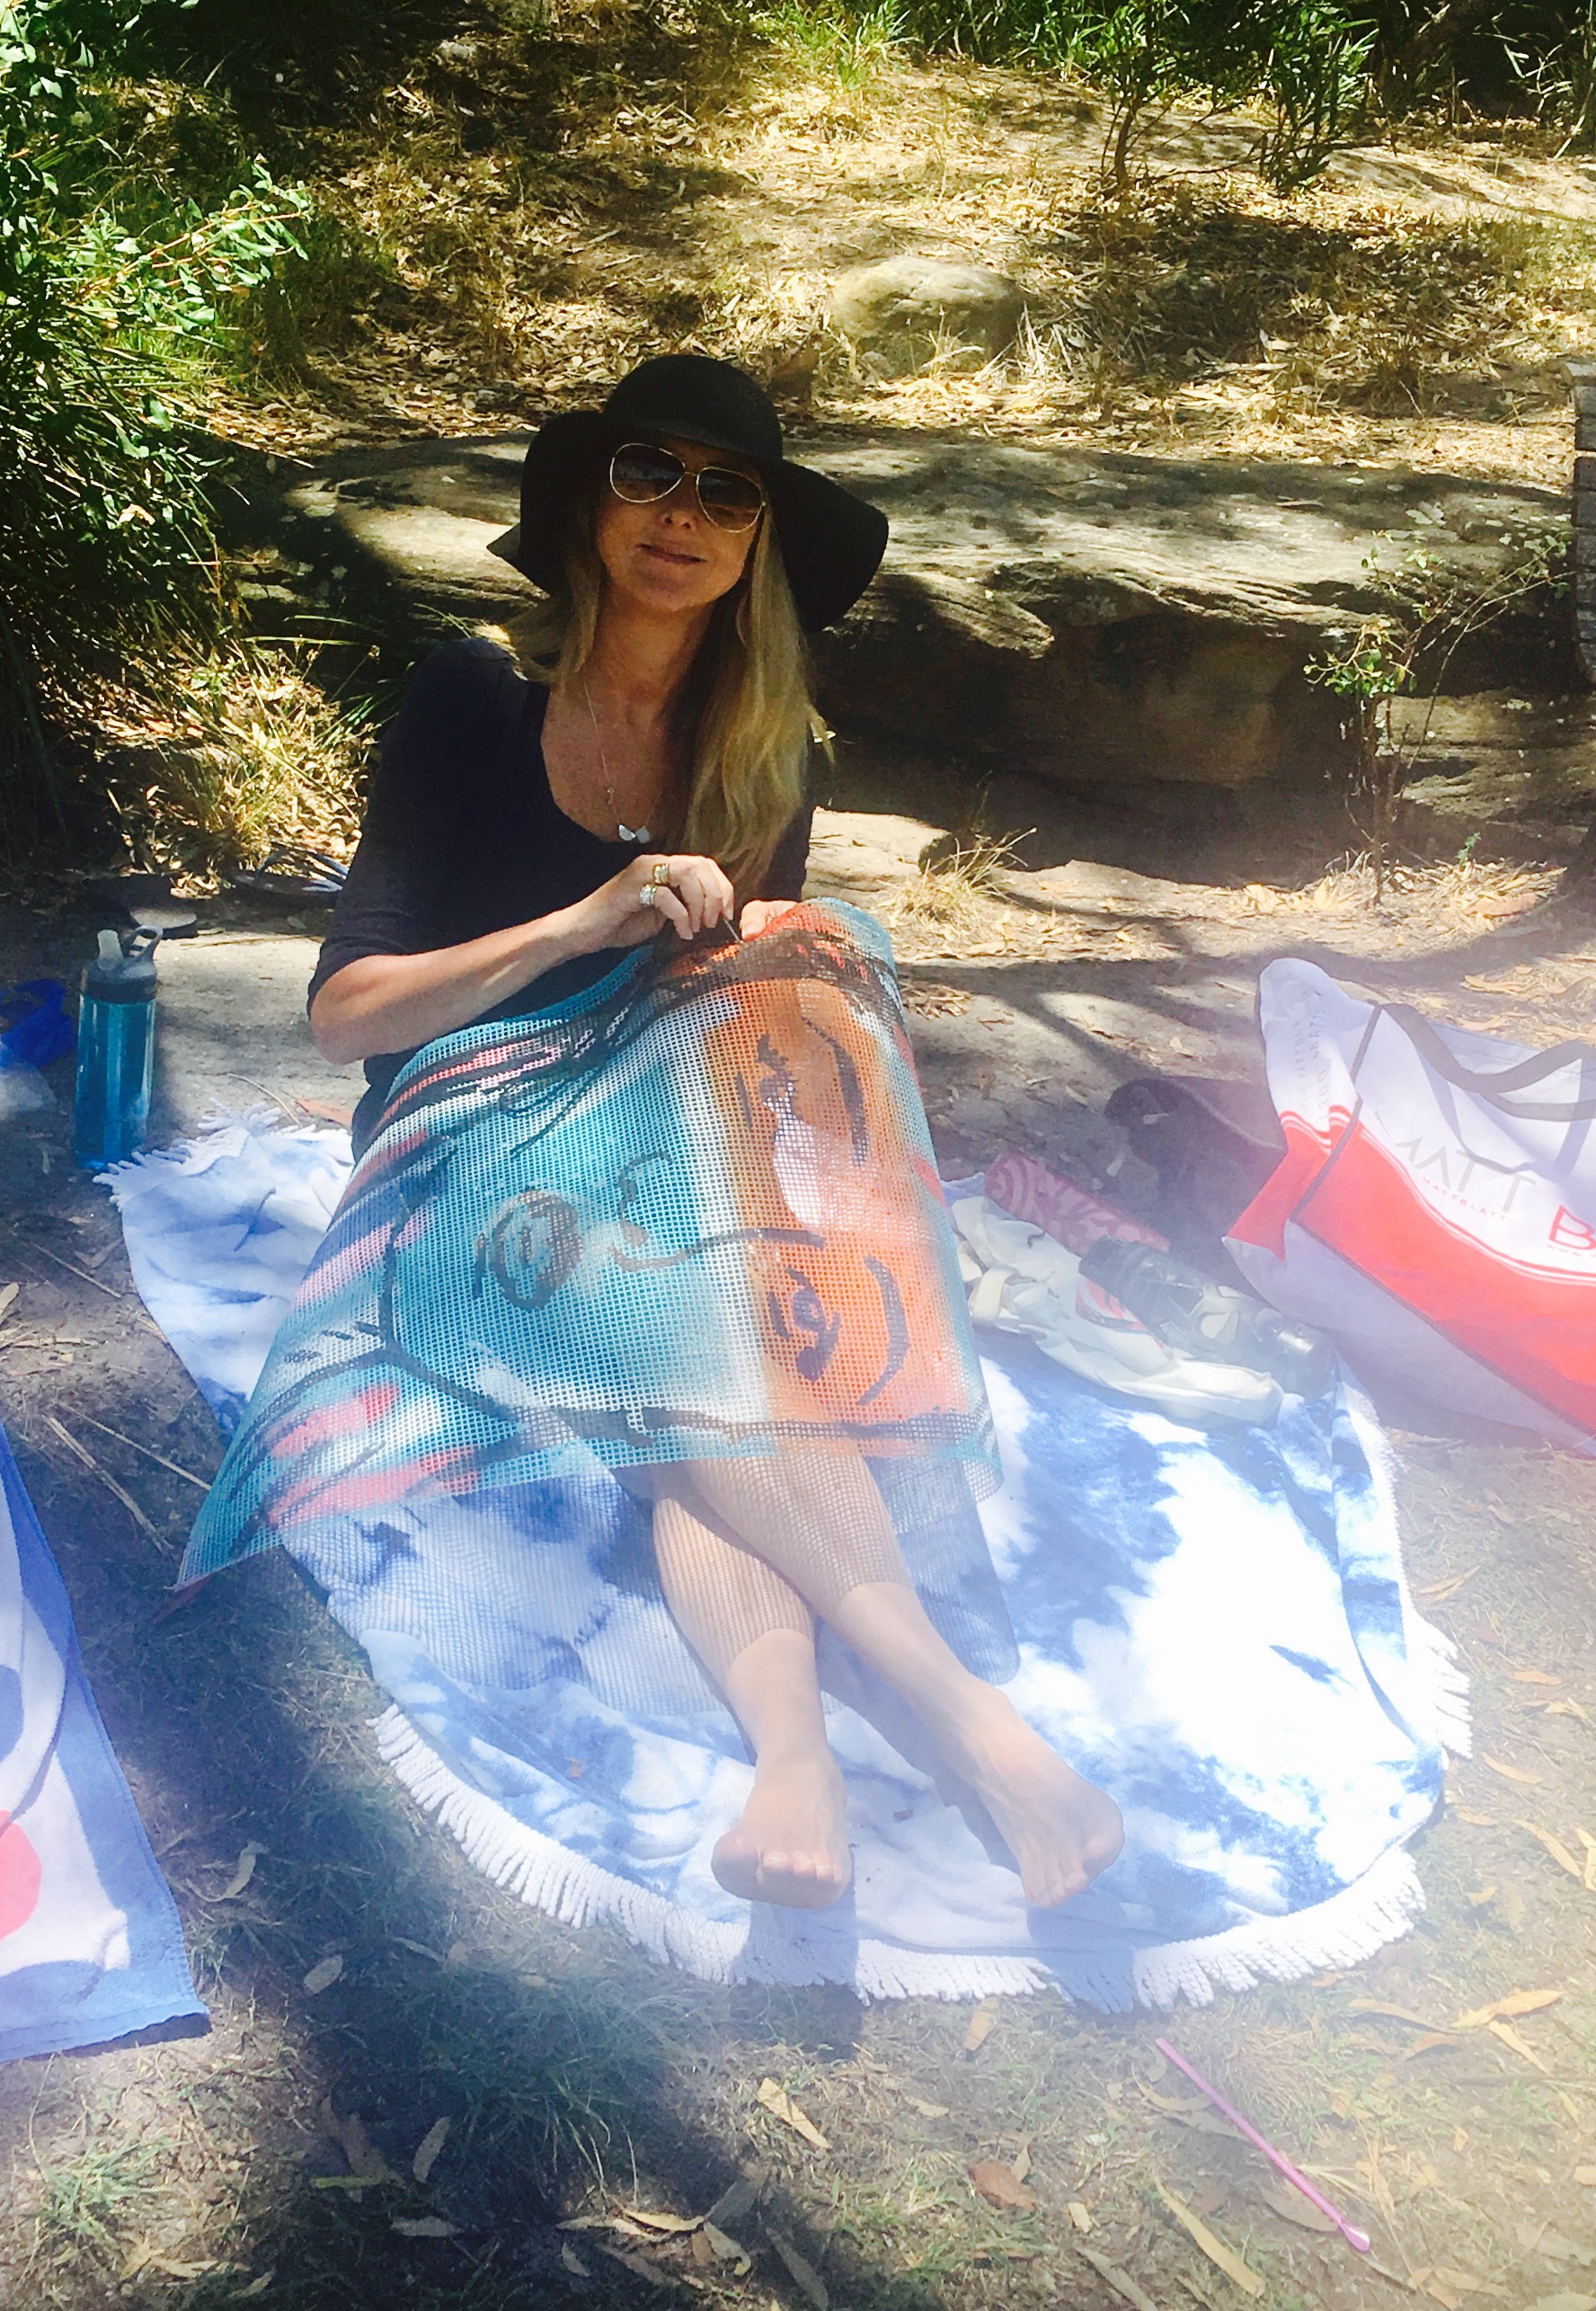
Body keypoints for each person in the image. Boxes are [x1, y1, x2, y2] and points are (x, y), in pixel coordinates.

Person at [304, 354, 1123, 1915]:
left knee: (740, 1342)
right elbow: (346, 1018)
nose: (681, 513)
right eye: (648, 473)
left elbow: (723, 1024)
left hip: (652, 1140)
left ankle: (794, 1762)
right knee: (690, 1334)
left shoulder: (762, 756)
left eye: (726, 492)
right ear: (586, 508)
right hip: (458, 1149)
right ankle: (969, 1719)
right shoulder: (473, 699)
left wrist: (788, 996)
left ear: (756, 545)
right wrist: (580, 921)